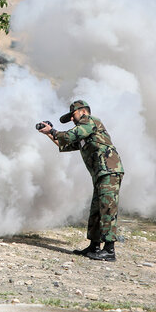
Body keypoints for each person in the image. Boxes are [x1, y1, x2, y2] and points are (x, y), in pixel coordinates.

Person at [37, 100, 124, 262]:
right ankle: (94, 246)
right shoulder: (85, 132)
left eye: (73, 115)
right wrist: (48, 133)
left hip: (110, 170)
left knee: (107, 208)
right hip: (100, 173)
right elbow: (65, 143)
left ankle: (109, 250)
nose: (71, 119)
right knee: (96, 210)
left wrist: (54, 130)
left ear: (83, 112)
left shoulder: (90, 122)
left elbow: (70, 135)